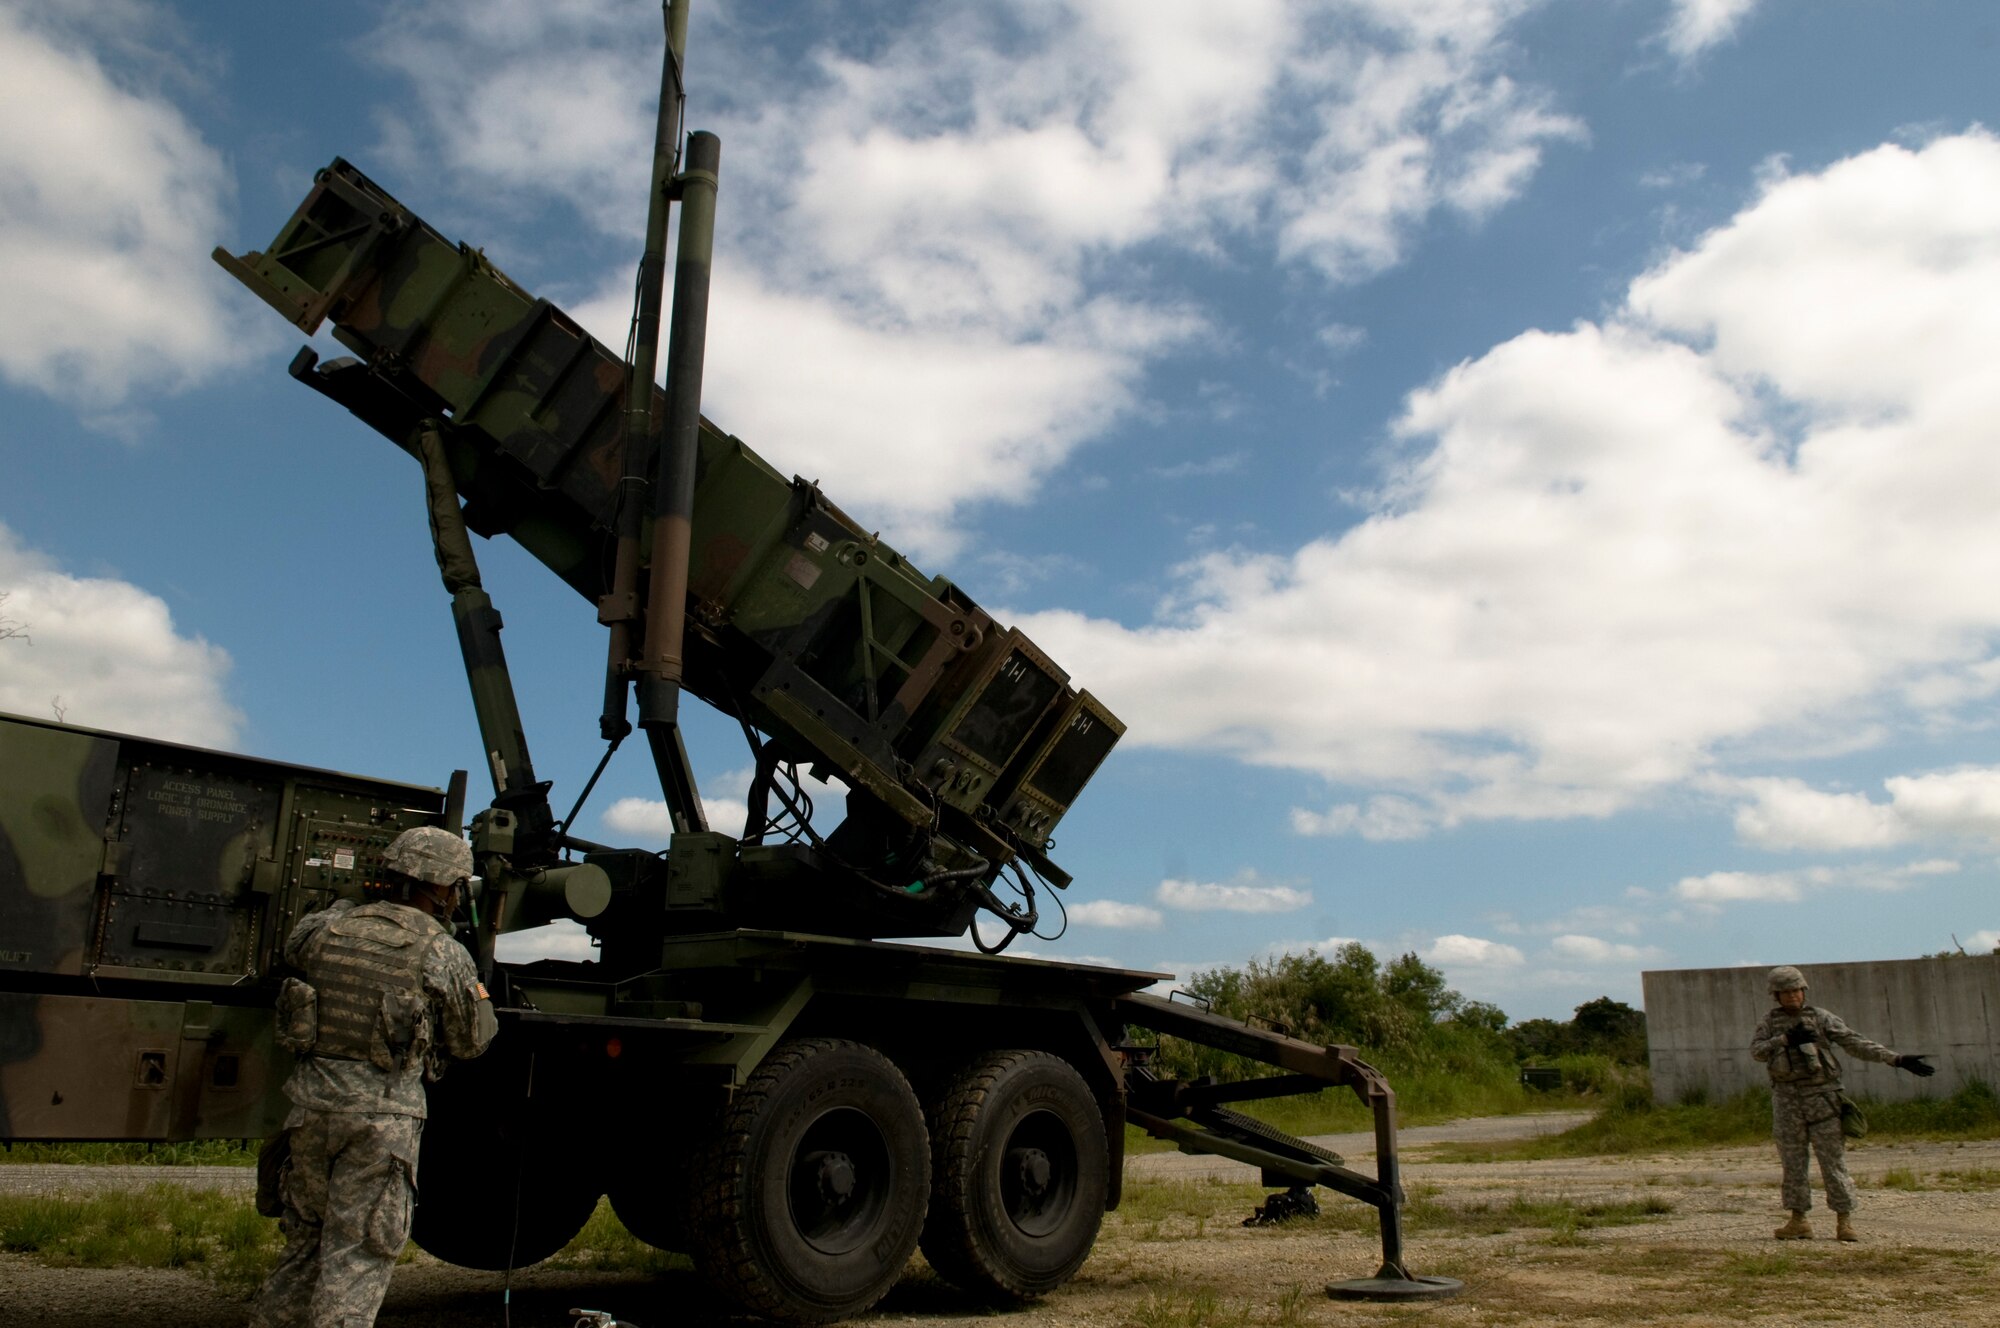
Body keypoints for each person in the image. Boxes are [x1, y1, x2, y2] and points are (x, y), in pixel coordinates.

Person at [251, 825, 498, 1328]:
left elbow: (295, 945)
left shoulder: (325, 931)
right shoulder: (442, 951)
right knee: (359, 1255)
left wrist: (346, 907)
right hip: (381, 1124)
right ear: (443, 887)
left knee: (305, 1247)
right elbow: (471, 1042)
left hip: (311, 1113)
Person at [1750, 964, 1934, 1242]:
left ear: (1804, 991)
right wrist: (1785, 1040)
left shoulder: (1821, 1018)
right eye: (1785, 992)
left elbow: (1854, 1042)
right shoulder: (1769, 1022)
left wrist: (1895, 1059)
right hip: (1787, 1100)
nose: (1792, 996)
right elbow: (1757, 1052)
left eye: (1796, 990)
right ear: (1775, 995)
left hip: (1823, 1098)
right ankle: (1798, 1221)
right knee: (1793, 1164)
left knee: (1833, 1163)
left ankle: (1844, 1222)